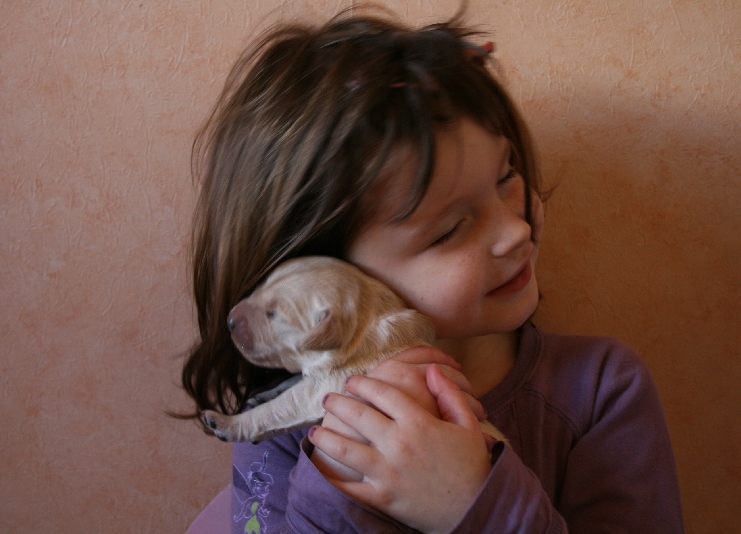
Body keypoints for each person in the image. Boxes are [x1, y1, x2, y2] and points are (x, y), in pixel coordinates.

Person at [181, 7, 684, 533]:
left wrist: (477, 506)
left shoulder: (603, 392)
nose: (516, 232)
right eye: (449, 230)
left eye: (506, 176)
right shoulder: (279, 429)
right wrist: (337, 477)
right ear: (321, 275)